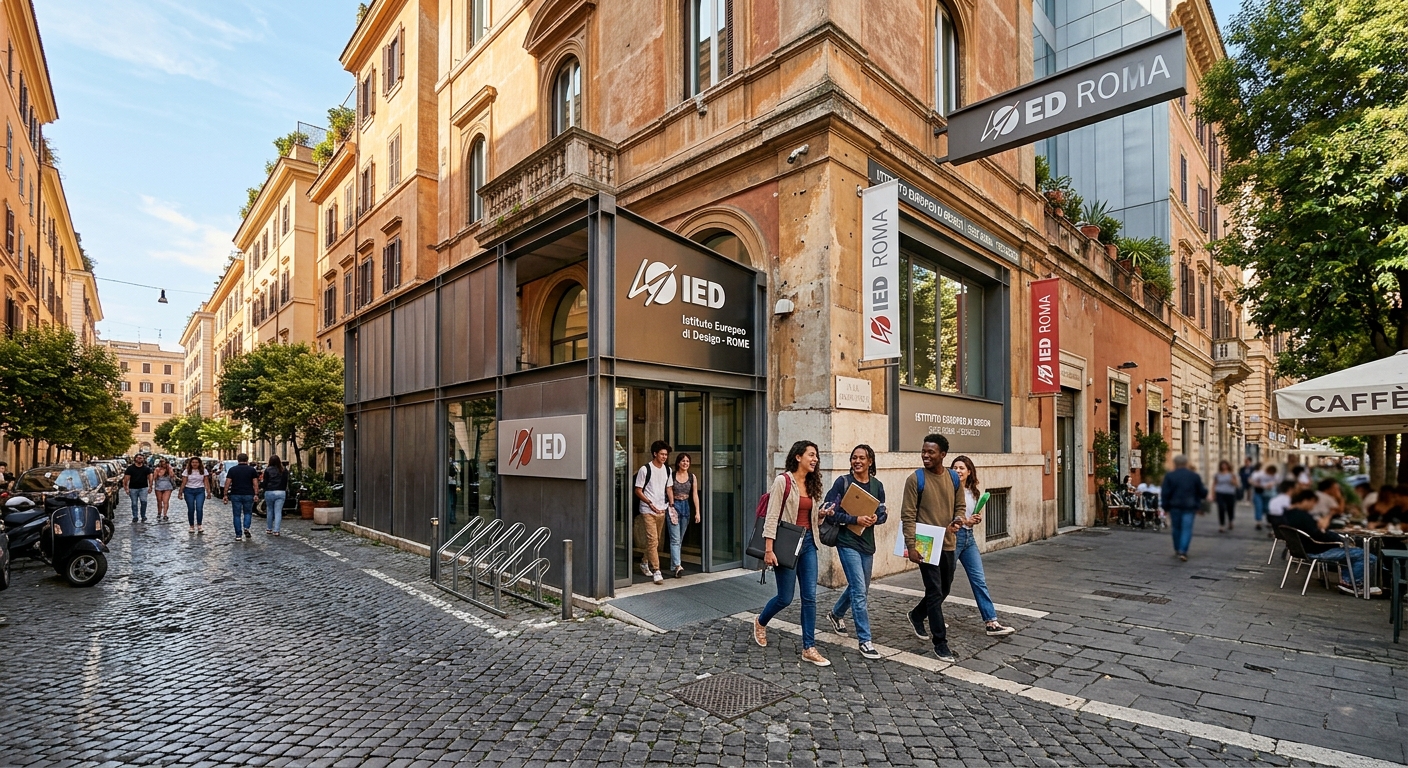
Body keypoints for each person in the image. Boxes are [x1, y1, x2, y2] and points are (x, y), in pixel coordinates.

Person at [753, 440, 831, 667]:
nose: (815, 459)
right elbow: (771, 516)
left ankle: (809, 647)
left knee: (810, 597)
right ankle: (760, 621)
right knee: (785, 597)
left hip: (808, 543)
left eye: (816, 455)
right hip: (786, 543)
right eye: (811, 455)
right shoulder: (783, 481)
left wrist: (822, 514)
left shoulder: (812, 483)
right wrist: (768, 550)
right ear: (798, 457)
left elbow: (810, 517)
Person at [901, 434, 965, 663]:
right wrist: (911, 546)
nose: (926, 456)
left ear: (943, 455)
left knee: (944, 589)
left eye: (931, 452)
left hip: (948, 542)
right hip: (925, 543)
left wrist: (958, 519)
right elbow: (907, 515)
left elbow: (960, 505)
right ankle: (941, 643)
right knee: (935, 590)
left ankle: (917, 615)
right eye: (924, 451)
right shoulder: (915, 479)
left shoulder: (954, 478)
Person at [823, 444, 888, 659]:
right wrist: (854, 519)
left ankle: (836, 614)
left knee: (859, 587)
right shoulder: (843, 483)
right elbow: (830, 513)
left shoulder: (877, 485)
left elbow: (883, 513)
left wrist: (875, 518)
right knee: (859, 591)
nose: (857, 461)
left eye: (862, 458)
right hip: (846, 541)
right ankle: (865, 640)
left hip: (867, 544)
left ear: (870, 461)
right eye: (854, 458)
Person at [949, 455, 1016, 638]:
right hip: (953, 538)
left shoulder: (973, 492)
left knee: (979, 580)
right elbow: (947, 514)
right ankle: (930, 615)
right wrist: (965, 521)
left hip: (969, 538)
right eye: (955, 467)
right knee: (944, 581)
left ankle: (991, 622)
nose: (958, 471)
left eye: (962, 468)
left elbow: (971, 515)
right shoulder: (949, 490)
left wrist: (975, 520)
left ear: (969, 471)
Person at [1281, 489, 1378, 596]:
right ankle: (1353, 584)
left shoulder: (1288, 514)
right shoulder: (1303, 516)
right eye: (1313, 503)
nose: (1313, 507)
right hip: (1316, 550)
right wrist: (1339, 539)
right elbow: (1319, 535)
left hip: (1302, 549)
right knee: (1367, 556)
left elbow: (1315, 532)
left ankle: (1347, 582)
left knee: (1352, 552)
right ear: (1307, 500)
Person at [633, 440, 671, 585]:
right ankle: (657, 571)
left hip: (662, 508)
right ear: (655, 454)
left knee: (655, 541)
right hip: (648, 509)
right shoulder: (645, 469)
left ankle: (644, 562)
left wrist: (670, 505)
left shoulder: (667, 470)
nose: (664, 457)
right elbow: (638, 490)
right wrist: (649, 503)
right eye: (661, 454)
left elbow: (669, 488)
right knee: (652, 539)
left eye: (666, 454)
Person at [1161, 454, 1208, 562]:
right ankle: (1183, 550)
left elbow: (1165, 493)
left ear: (1175, 463)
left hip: (1174, 506)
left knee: (1176, 528)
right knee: (1187, 529)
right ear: (1186, 463)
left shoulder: (1170, 476)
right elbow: (1201, 492)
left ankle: (1177, 548)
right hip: (1189, 506)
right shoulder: (1194, 476)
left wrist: (1165, 506)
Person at [665, 452, 700, 579]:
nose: (685, 463)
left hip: (686, 506)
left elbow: (695, 495)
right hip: (674, 506)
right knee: (675, 539)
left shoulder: (692, 477)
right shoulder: (672, 475)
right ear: (678, 462)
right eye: (683, 461)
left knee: (679, 539)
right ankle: (678, 565)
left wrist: (697, 512)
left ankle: (674, 566)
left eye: (687, 461)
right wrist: (672, 504)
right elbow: (668, 489)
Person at [222, 453, 261, 542]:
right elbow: (255, 483)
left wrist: (225, 494)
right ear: (247, 460)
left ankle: (238, 535)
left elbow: (227, 483)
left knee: (236, 515)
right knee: (248, 513)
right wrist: (256, 494)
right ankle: (246, 527)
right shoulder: (252, 470)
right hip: (248, 494)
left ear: (238, 460)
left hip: (235, 494)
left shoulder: (232, 470)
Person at [180, 457, 212, 534]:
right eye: (193, 462)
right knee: (191, 509)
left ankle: (199, 525)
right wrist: (180, 492)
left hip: (200, 490)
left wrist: (208, 492)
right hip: (189, 491)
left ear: (199, 463)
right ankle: (191, 526)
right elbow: (184, 482)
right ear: (190, 463)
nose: (194, 464)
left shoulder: (203, 471)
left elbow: (206, 482)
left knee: (199, 508)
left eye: (196, 462)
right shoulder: (187, 471)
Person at [122, 453, 154, 523]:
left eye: (141, 458)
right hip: (133, 488)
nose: (140, 459)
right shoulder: (130, 468)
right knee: (134, 503)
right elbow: (126, 479)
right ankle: (135, 516)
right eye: (138, 458)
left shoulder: (146, 469)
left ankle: (143, 516)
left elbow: (150, 477)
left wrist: (150, 486)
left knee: (144, 501)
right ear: (135, 459)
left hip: (143, 488)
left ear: (143, 459)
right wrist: (126, 488)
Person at [262, 455, 289, 537]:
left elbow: (265, 482)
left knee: (269, 510)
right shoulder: (284, 470)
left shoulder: (267, 470)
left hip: (269, 491)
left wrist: (264, 489)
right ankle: (276, 530)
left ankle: (269, 528)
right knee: (278, 511)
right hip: (280, 491)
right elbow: (286, 481)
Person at [1213, 460, 1238, 532]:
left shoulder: (1232, 474)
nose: (1223, 466)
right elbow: (1214, 484)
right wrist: (1212, 494)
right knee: (1221, 508)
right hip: (1220, 493)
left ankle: (1230, 521)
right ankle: (1221, 525)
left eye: (1225, 465)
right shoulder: (1217, 474)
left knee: (1230, 508)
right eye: (1222, 465)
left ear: (1228, 466)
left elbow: (1236, 484)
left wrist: (1233, 481)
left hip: (1230, 493)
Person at [1249, 463, 1275, 530]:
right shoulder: (1256, 473)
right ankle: (1259, 522)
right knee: (1258, 506)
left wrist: (1271, 484)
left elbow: (1275, 481)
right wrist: (1259, 485)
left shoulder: (1272, 473)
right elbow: (1251, 480)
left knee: (1267, 507)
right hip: (1258, 492)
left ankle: (1269, 521)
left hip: (1268, 493)